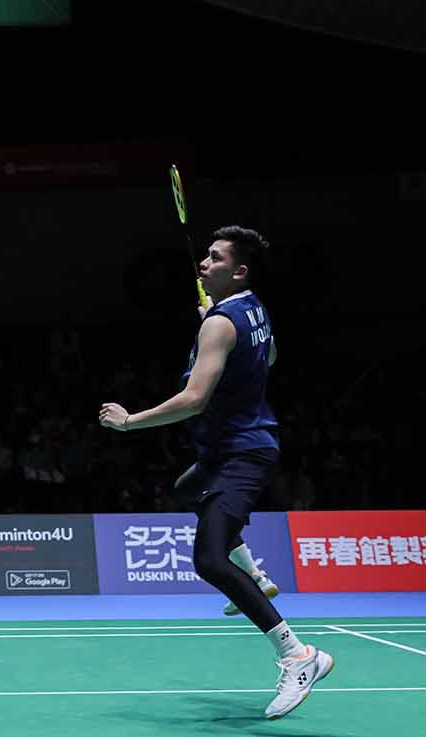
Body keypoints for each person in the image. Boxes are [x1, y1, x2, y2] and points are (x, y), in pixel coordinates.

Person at [99, 226, 333, 720]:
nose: (204, 264)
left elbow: (194, 400)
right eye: (205, 256)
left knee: (208, 559)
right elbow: (269, 355)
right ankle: (254, 573)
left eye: (215, 257)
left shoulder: (222, 323)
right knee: (187, 488)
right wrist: (220, 329)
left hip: (240, 454)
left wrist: (130, 421)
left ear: (239, 271)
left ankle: (298, 655)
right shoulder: (252, 310)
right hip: (226, 451)